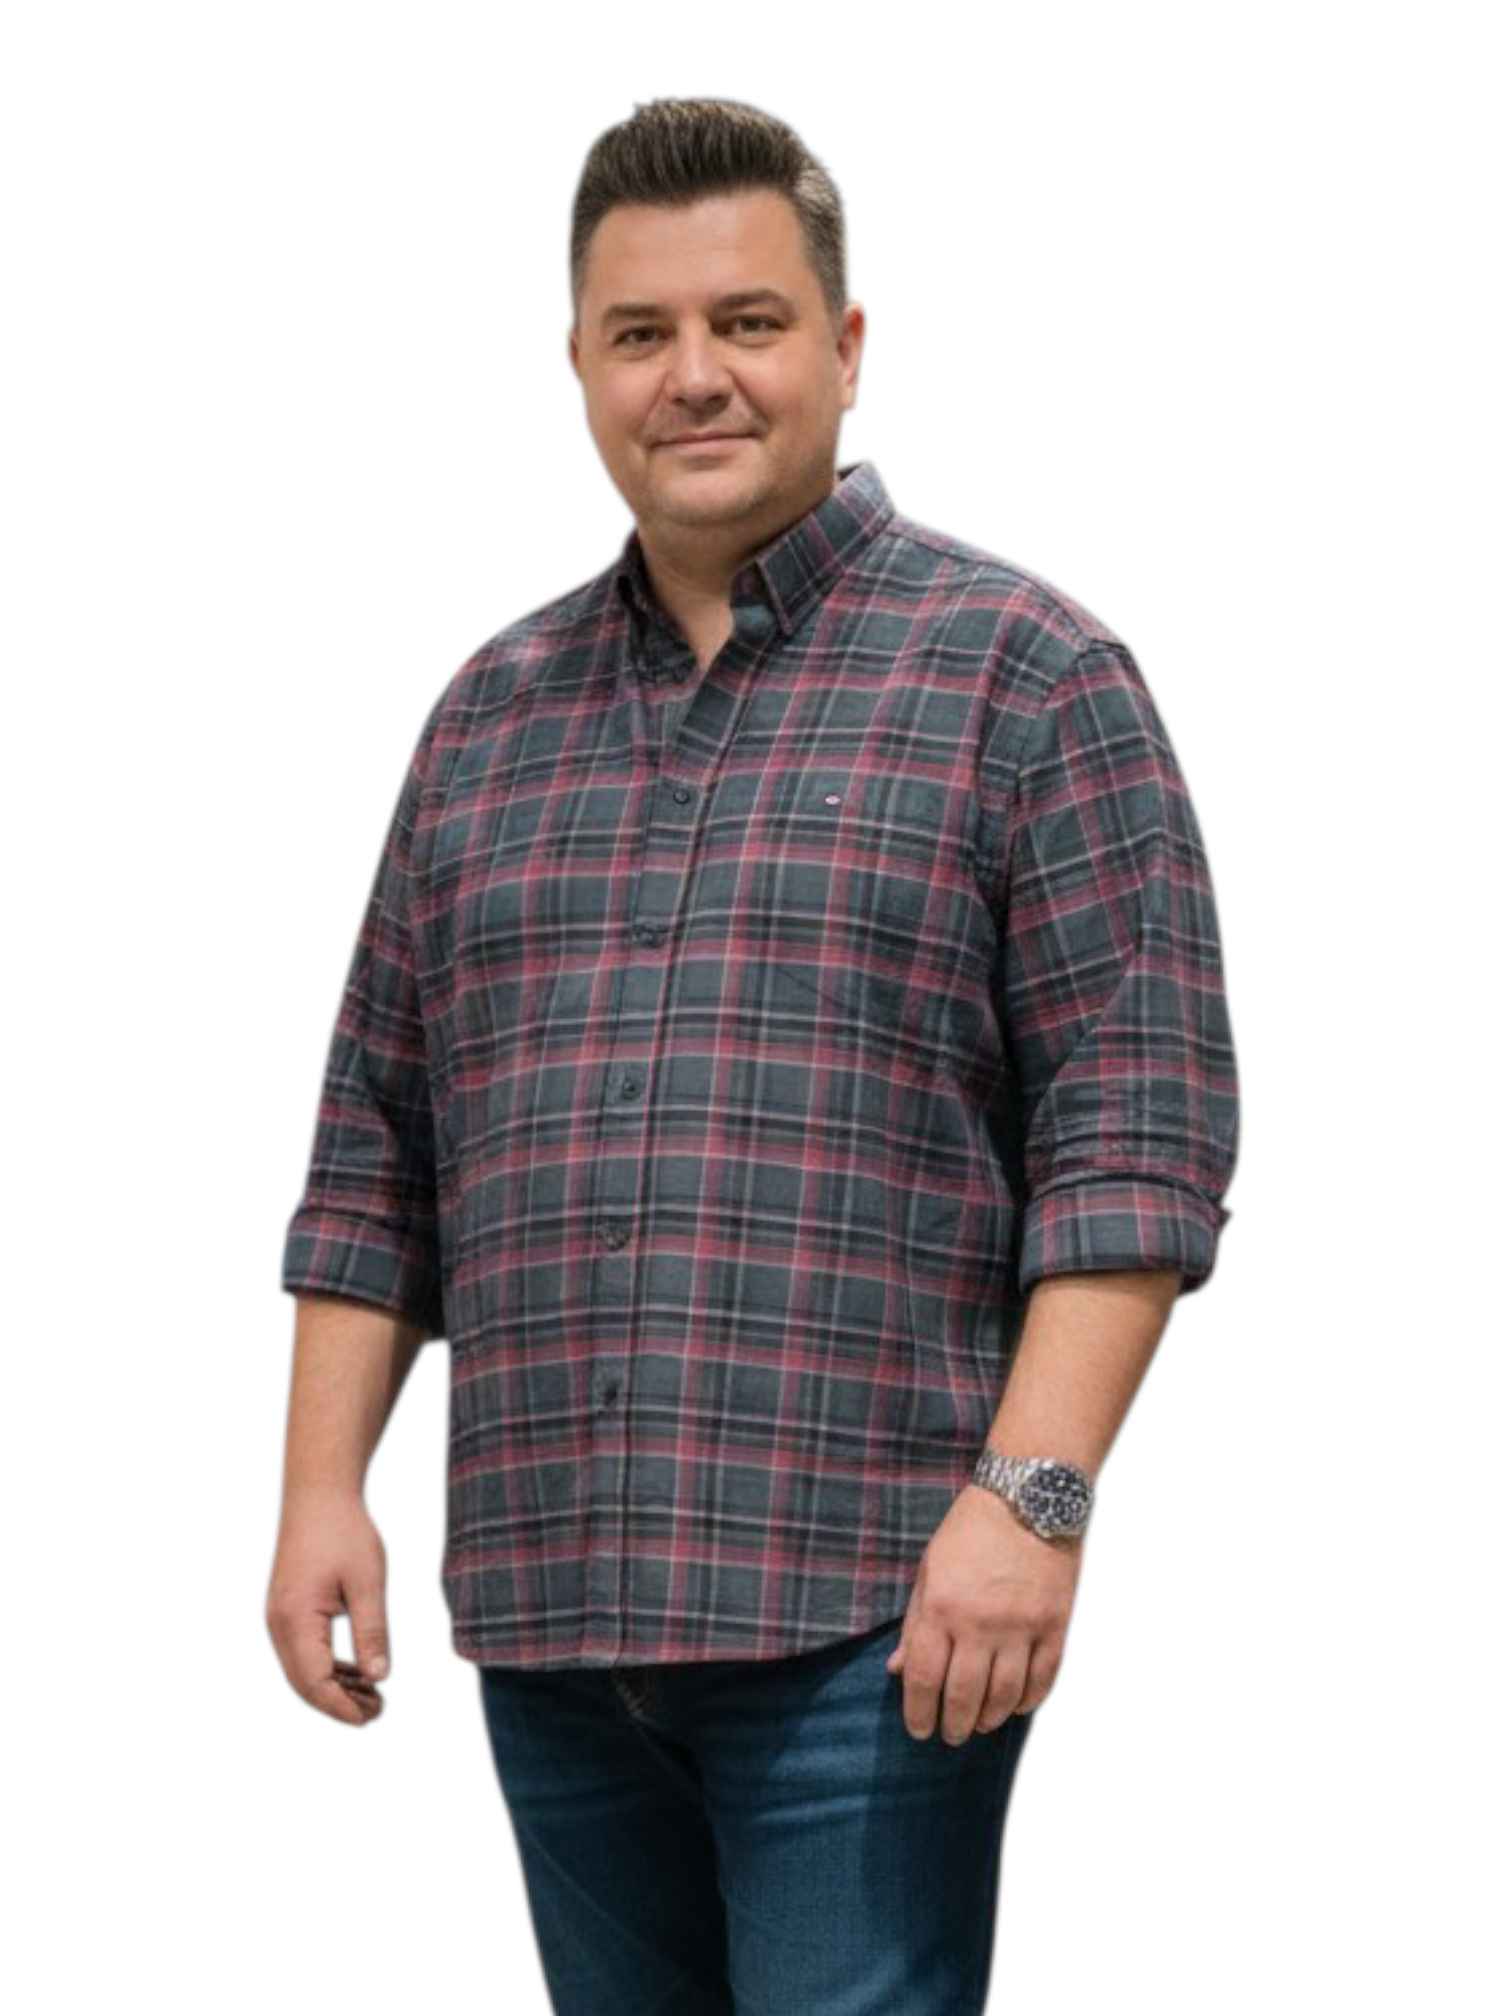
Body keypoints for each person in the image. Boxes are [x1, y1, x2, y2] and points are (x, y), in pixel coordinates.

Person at [267, 96, 1239, 2016]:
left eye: (749, 322)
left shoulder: (1029, 679)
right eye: (641, 333)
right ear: (578, 363)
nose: (694, 374)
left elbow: (1137, 1139)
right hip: (551, 1616)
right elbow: (378, 1152)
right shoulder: (486, 720)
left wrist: (1033, 1505)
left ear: (846, 346)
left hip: (870, 1625)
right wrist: (319, 1491)